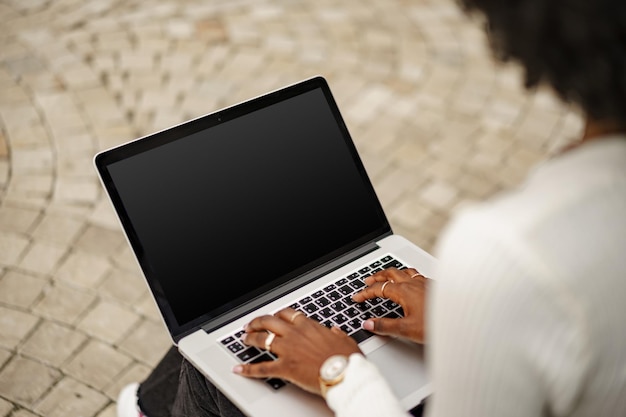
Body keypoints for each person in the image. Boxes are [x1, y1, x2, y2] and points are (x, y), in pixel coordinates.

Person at [117, 0, 626, 415]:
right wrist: (460, 328)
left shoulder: (511, 252)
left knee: (216, 368)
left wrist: (340, 373)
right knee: (222, 323)